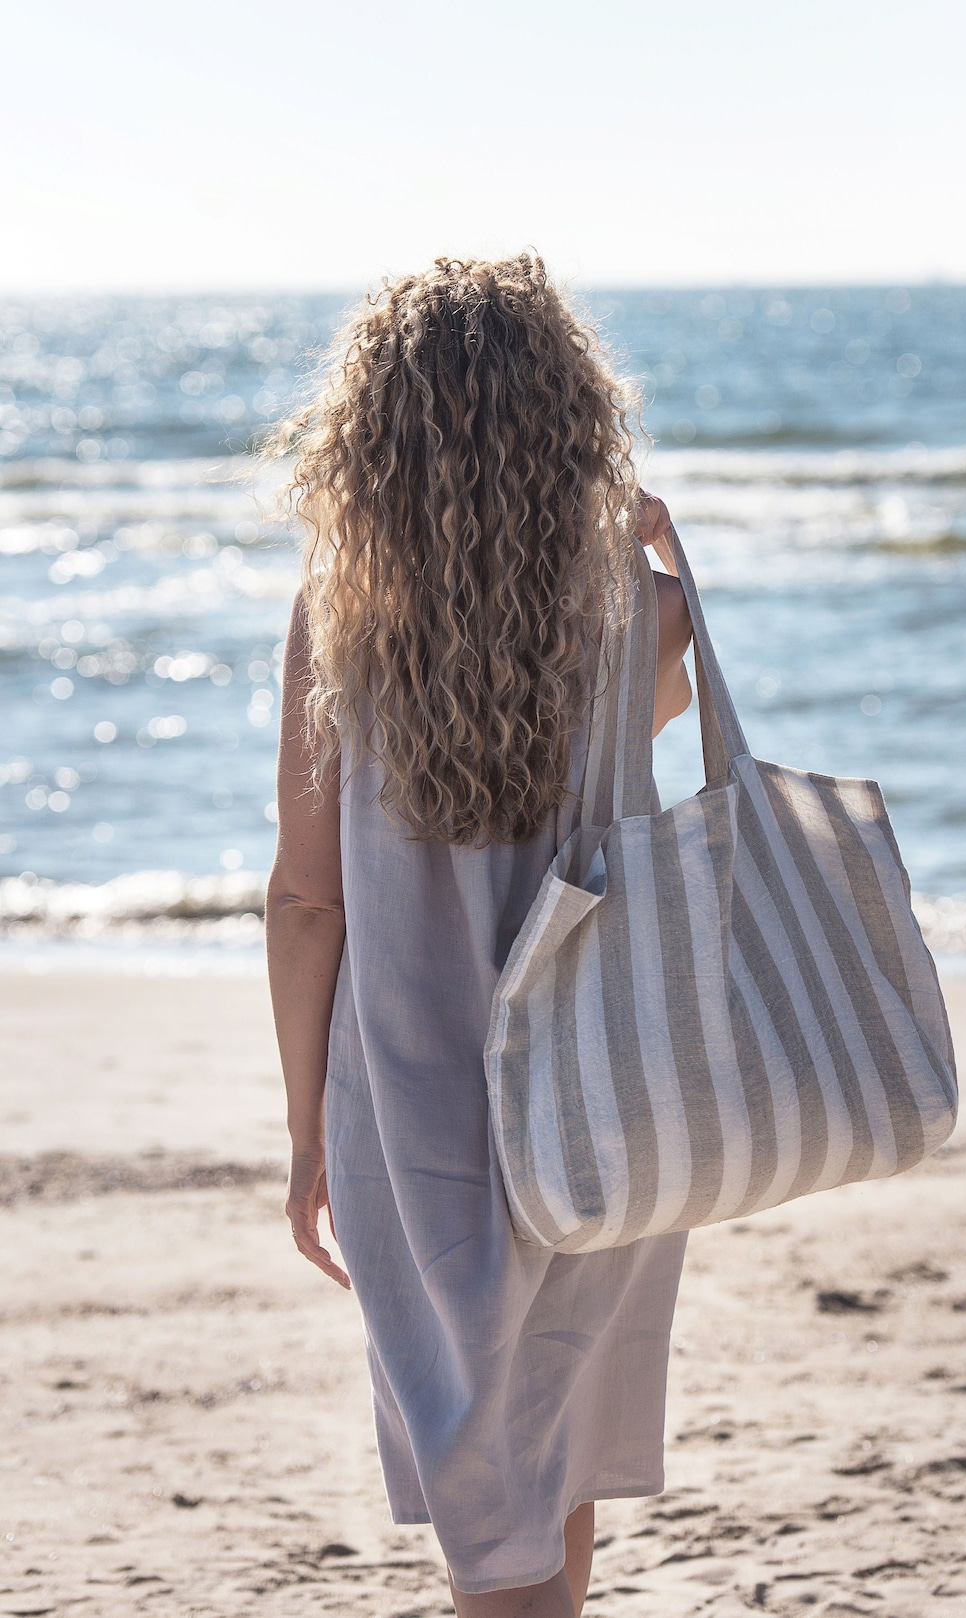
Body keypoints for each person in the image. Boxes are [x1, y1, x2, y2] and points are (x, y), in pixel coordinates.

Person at [265, 254, 694, 1617]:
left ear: (375, 434)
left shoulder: (342, 617)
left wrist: (303, 1129)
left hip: (415, 1096)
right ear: (569, 413)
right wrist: (661, 551)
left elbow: (309, 897)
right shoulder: (632, 604)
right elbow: (647, 745)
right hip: (605, 1084)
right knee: (551, 1440)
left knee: (483, 1485)